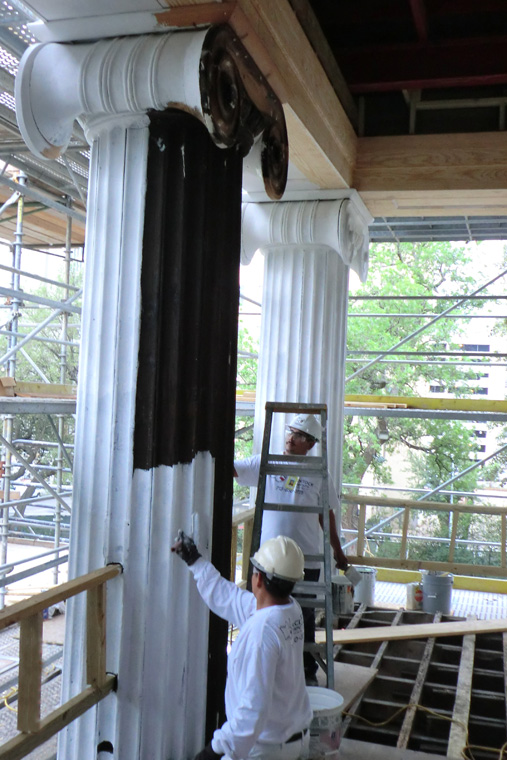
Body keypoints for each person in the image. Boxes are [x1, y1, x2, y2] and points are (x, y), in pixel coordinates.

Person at [172, 531, 312, 760]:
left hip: (266, 749)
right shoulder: (289, 609)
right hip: (290, 739)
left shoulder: (262, 634)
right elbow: (231, 599)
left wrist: (214, 749)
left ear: (258, 579)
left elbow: (253, 709)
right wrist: (196, 563)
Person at [234, 413, 348, 686]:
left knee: (303, 614)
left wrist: (338, 552)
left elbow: (326, 515)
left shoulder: (320, 474)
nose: (290, 438)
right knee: (265, 612)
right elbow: (234, 469)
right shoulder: (267, 464)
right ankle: (264, 667)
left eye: (298, 436)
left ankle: (306, 670)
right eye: (290, 432)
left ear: (310, 443)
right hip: (269, 560)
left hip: (305, 560)